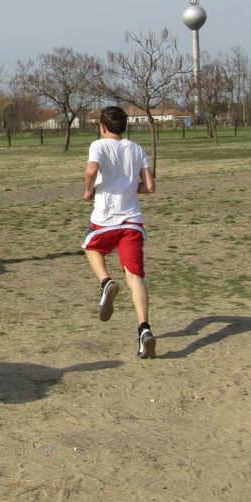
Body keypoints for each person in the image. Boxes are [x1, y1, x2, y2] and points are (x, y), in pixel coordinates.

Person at [81, 106, 157, 359]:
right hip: (132, 222)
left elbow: (91, 170)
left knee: (92, 248)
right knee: (135, 276)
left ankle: (106, 282)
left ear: (102, 127)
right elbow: (150, 187)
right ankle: (144, 329)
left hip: (106, 219)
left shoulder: (99, 145)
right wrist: (128, 188)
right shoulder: (137, 149)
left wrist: (89, 190)